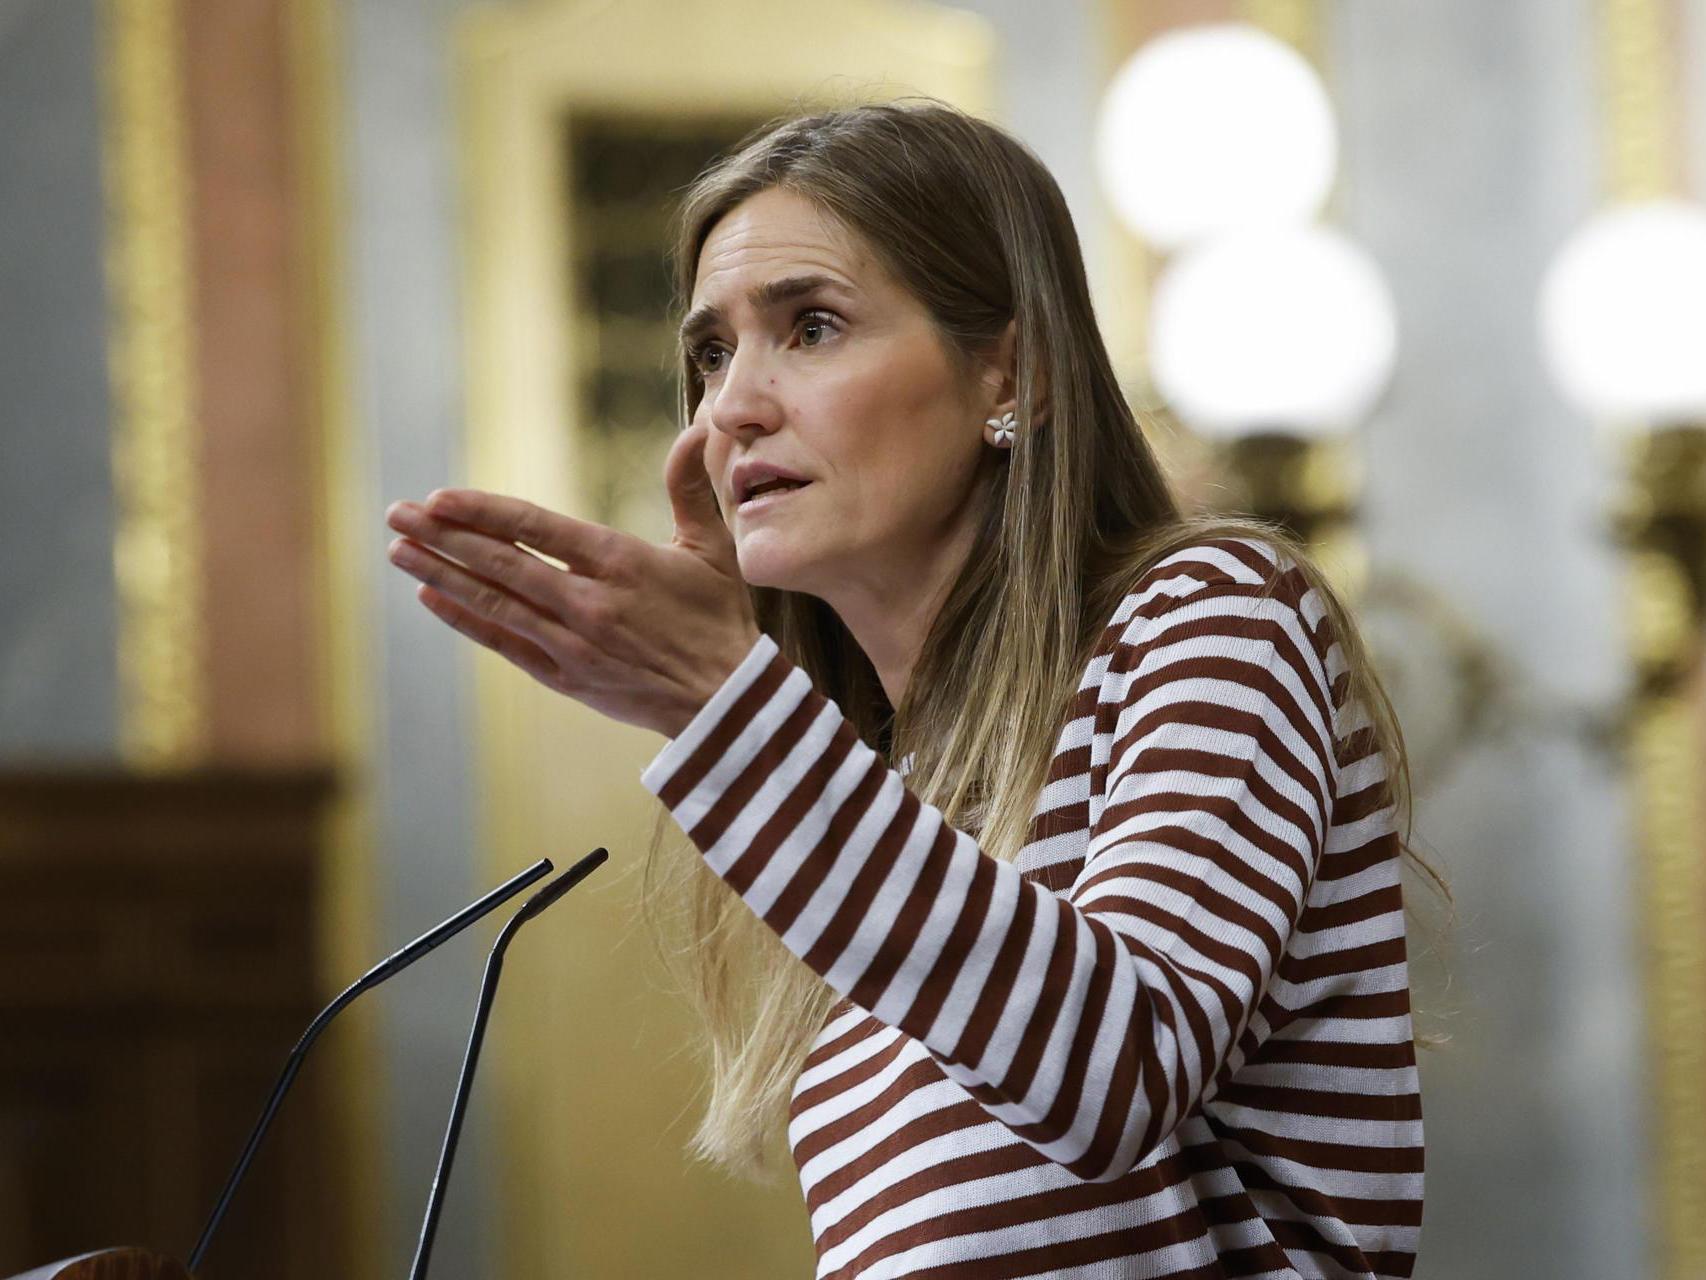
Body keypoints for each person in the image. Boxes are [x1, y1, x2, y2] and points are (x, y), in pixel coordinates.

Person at [384, 99, 1438, 1280]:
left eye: (813, 325)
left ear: (1014, 372)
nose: (732, 404)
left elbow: (1119, 1066)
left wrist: (724, 706)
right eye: (712, 352)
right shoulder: (886, 799)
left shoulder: (1207, 611)